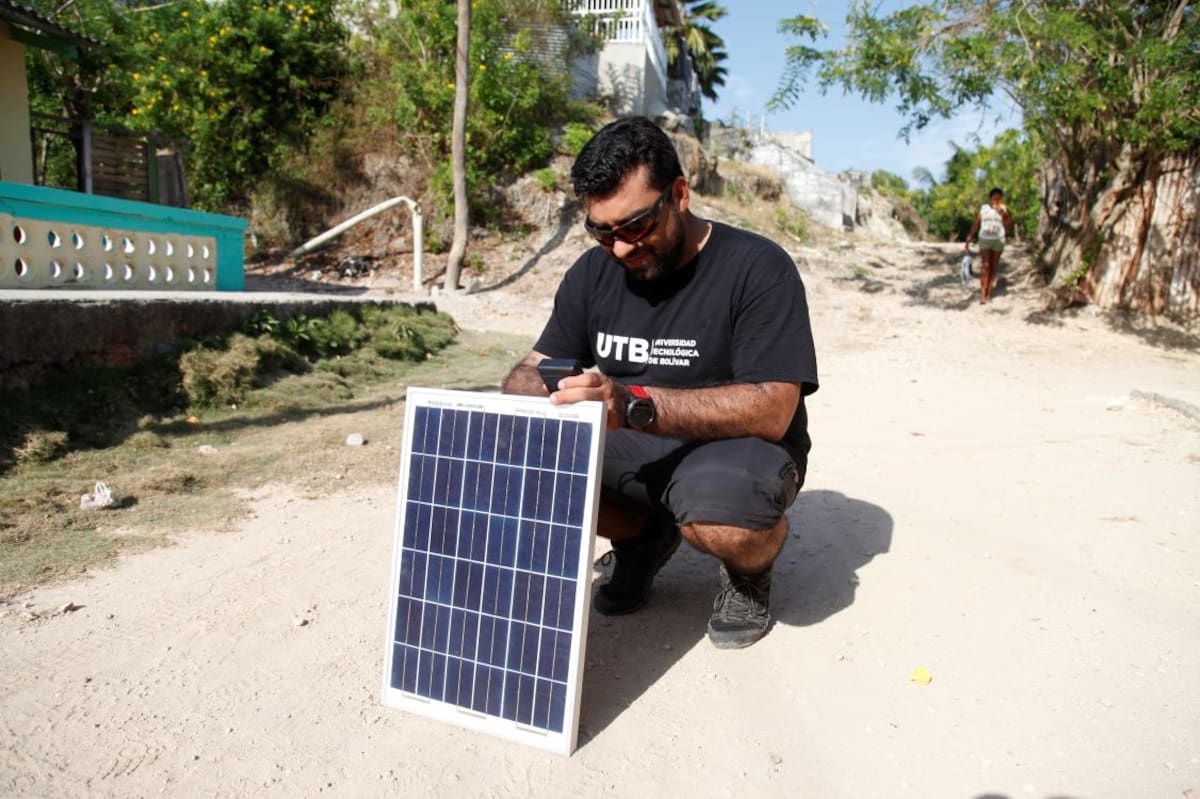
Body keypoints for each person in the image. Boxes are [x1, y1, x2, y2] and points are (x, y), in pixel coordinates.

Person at [501, 117, 819, 649]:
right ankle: (644, 540)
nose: (621, 247)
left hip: (731, 451)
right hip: (629, 447)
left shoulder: (758, 268)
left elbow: (773, 409)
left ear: (679, 194)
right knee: (511, 457)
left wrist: (634, 404)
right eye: (602, 231)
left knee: (725, 513)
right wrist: (542, 388)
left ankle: (747, 573)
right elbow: (528, 371)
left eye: (636, 226)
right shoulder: (591, 274)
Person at [963, 188, 1015, 304]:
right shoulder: (984, 209)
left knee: (994, 267)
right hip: (985, 239)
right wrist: (969, 239)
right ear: (990, 198)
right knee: (985, 266)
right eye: (994, 198)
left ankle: (989, 292)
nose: (996, 200)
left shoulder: (1004, 209)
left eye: (999, 198)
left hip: (998, 239)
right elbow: (976, 224)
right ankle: (982, 293)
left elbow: (1009, 226)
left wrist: (1003, 214)